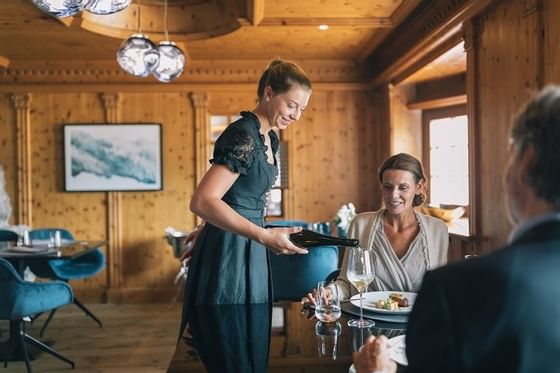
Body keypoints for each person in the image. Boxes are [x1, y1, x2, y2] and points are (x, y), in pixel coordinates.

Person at [354, 85, 560, 373]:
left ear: (526, 161)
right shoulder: (364, 225)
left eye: (510, 154)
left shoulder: (454, 287)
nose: (394, 194)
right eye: (388, 187)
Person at [177, 59, 312, 371]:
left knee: (251, 345)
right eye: (291, 104)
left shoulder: (270, 137)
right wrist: (263, 235)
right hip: (230, 251)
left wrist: (208, 226)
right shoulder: (243, 136)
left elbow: (229, 195)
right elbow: (202, 200)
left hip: (248, 247)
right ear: (268, 93)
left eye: (302, 109)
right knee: (230, 347)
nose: (295, 115)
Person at [302, 153, 449, 306]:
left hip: (421, 325)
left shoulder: (437, 230)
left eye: (403, 188)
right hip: (369, 324)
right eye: (388, 187)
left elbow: (439, 288)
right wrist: (329, 292)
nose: (393, 195)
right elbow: (346, 284)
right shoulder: (361, 224)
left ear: (419, 187)